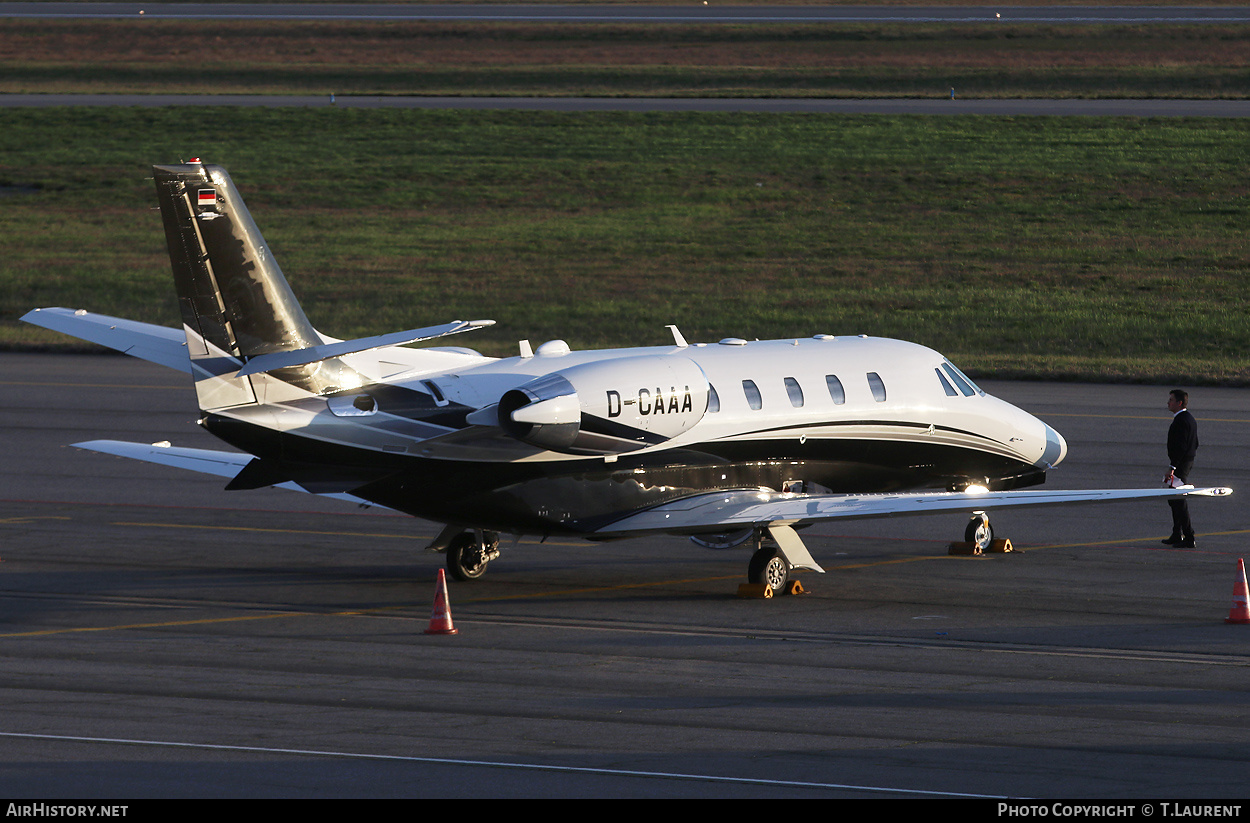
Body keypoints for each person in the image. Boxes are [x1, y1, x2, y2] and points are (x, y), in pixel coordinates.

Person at [1163, 389, 1199, 548]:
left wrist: (1173, 466)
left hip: (1181, 464)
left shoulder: (1181, 421)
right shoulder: (1188, 418)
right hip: (1185, 462)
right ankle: (1177, 533)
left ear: (1179, 403)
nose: (1168, 402)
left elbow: (1181, 446)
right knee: (1174, 498)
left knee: (1178, 499)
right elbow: (1195, 443)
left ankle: (1189, 536)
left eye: (1171, 400)